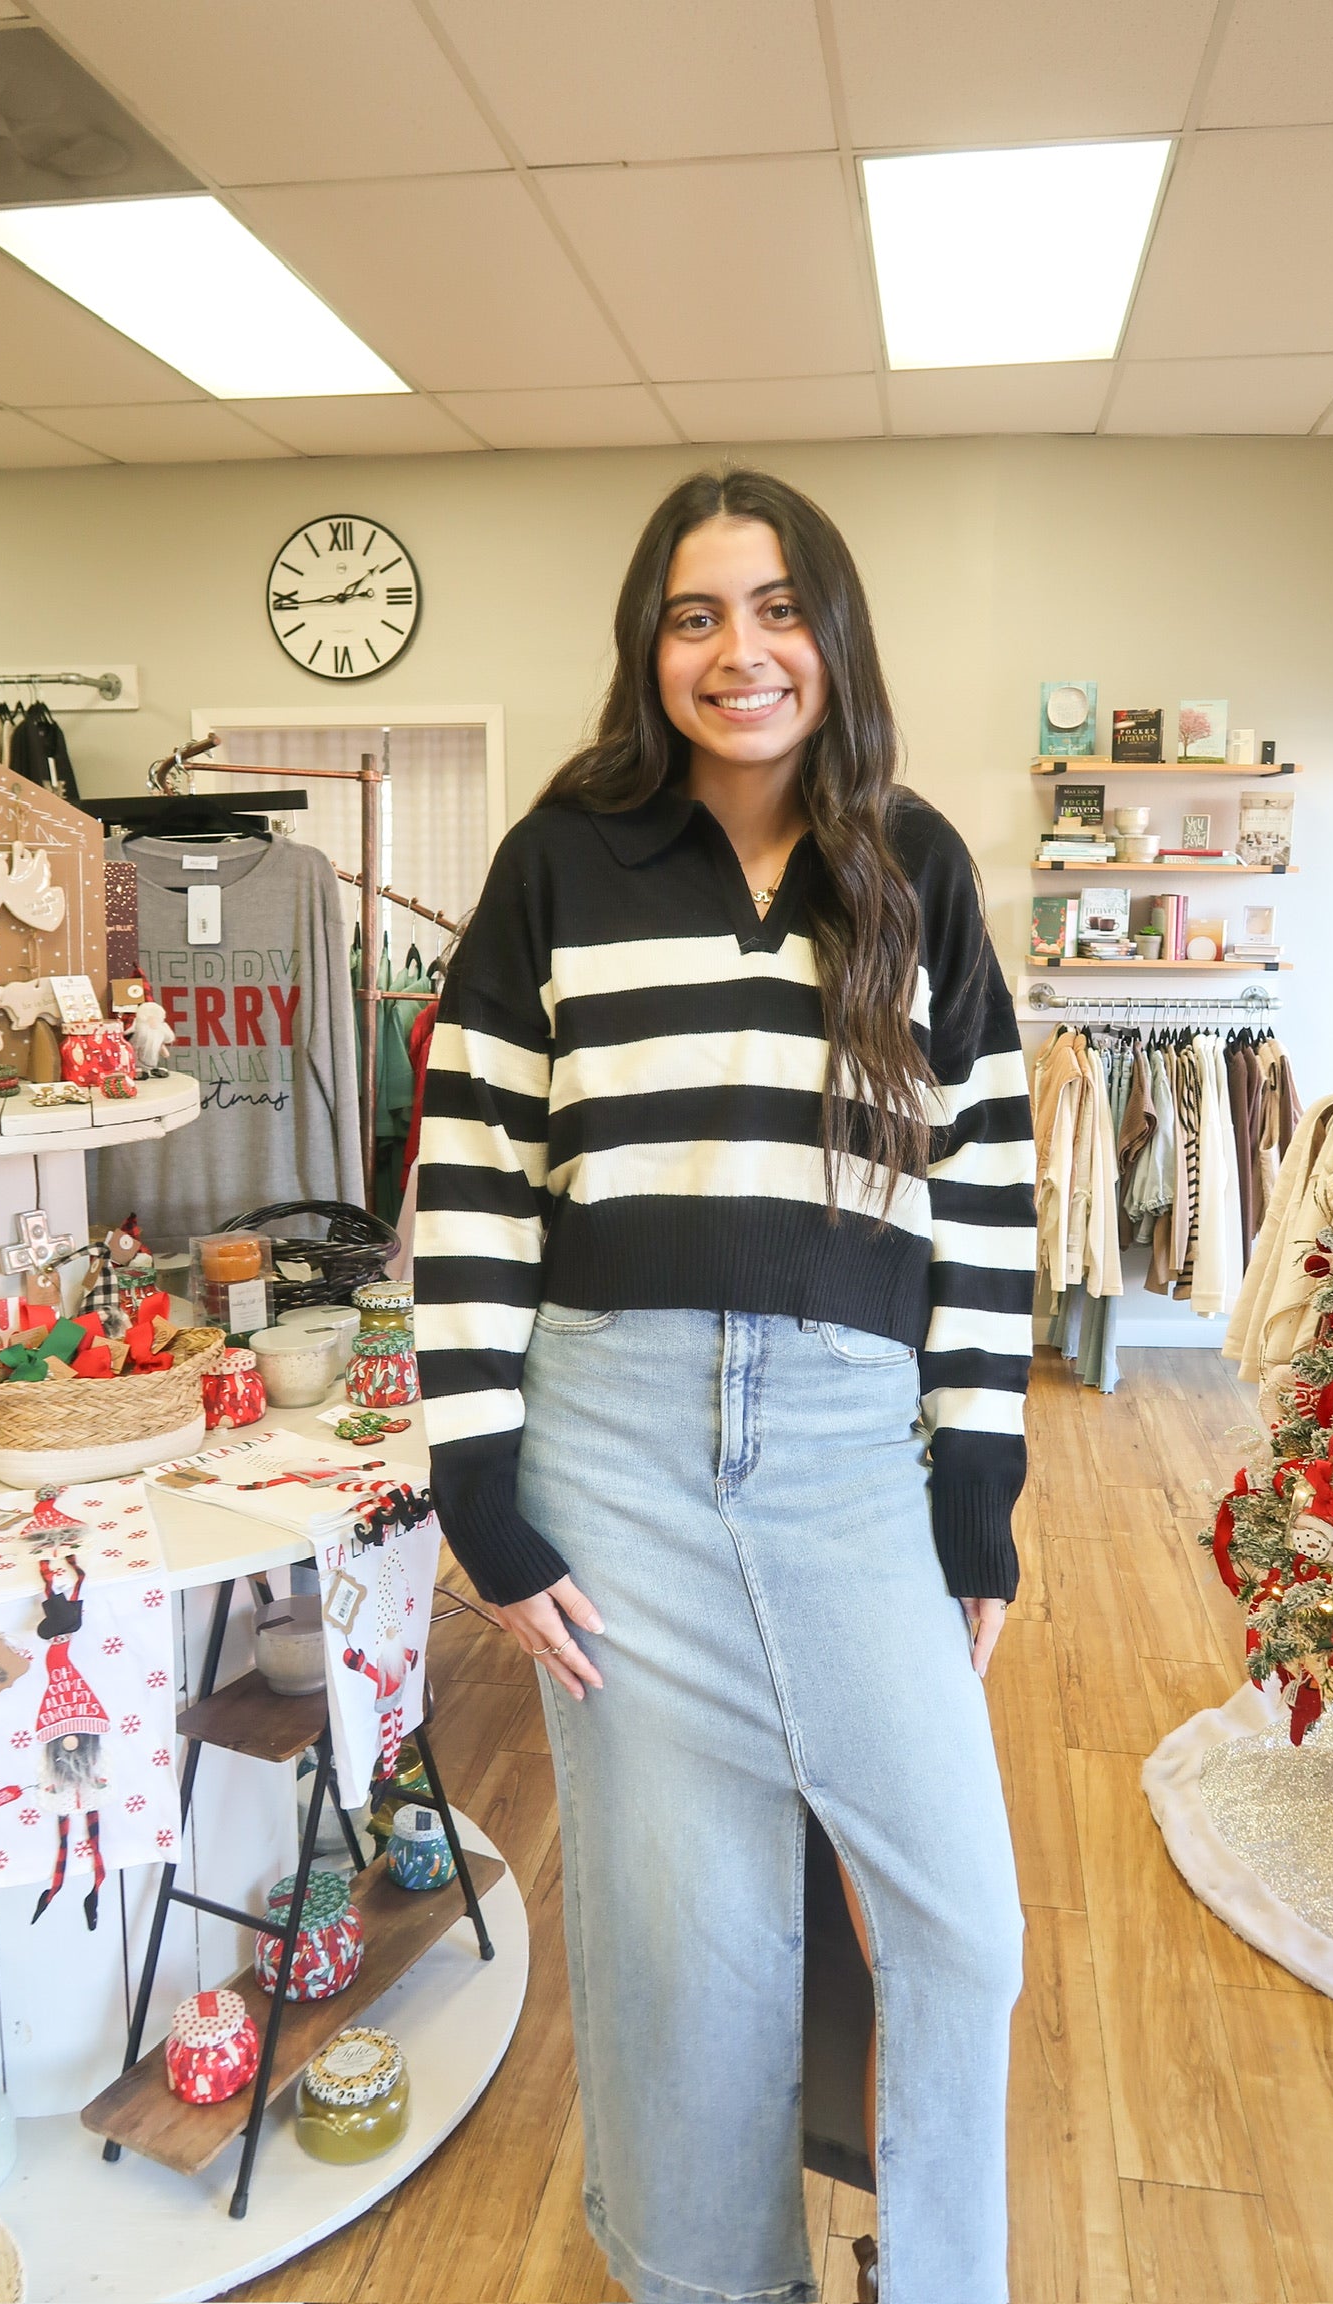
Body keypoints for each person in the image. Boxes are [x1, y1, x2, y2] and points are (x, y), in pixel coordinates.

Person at [416, 468, 1034, 2304]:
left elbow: (981, 1189)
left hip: (851, 1454)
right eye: (695, 616)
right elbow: (466, 1175)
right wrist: (482, 1493)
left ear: (830, 633)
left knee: (966, 1925)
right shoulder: (558, 865)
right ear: (649, 647)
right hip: (610, 1450)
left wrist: (975, 1480)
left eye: (774, 609)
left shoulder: (915, 866)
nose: (738, 651)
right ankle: (707, 2280)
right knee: (687, 1946)